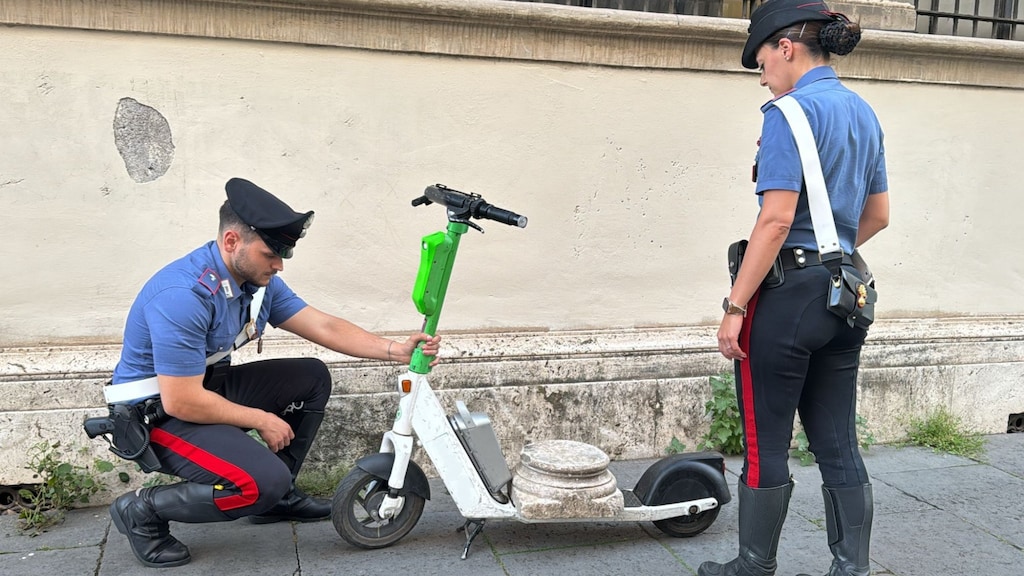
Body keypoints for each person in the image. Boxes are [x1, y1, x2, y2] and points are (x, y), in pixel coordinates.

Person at [104, 177, 441, 568]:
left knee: (310, 377)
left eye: (284, 254)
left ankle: (277, 500)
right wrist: (260, 419)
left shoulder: (256, 283)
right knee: (262, 482)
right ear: (232, 241)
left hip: (203, 391)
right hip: (157, 415)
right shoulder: (183, 296)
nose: (279, 264)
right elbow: (182, 401)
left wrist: (395, 350)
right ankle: (142, 510)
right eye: (270, 254)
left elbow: (323, 326)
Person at [701, 1, 889, 575]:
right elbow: (878, 216)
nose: (762, 77)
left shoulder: (788, 113)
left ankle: (753, 567)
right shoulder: (863, 112)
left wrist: (735, 305)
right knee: (838, 442)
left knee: (766, 442)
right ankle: (851, 569)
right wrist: (829, 254)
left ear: (786, 48)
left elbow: (776, 221)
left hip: (786, 300)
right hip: (845, 294)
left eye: (762, 62)